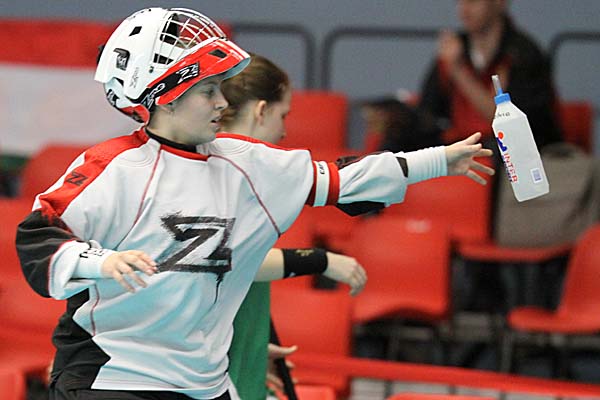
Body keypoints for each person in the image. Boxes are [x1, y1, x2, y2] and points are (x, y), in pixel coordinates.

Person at [16, 7, 493, 400]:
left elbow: (344, 179)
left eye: (221, 89)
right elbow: (38, 236)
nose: (222, 103)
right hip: (111, 378)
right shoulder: (111, 167)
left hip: (202, 384)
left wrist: (438, 160)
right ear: (165, 98)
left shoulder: (248, 164)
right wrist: (99, 261)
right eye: (207, 90)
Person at [219, 53, 369, 399]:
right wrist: (320, 260)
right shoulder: (216, 171)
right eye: (283, 115)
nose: (285, 131)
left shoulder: (243, 175)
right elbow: (229, 260)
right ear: (261, 111)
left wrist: (253, 344)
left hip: (237, 347)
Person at [418, 0, 562, 150]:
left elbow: (512, 124)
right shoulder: (453, 50)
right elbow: (427, 113)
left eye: (472, 1)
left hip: (510, 152)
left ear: (499, 3)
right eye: (460, 2)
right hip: (459, 147)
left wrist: (458, 71)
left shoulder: (522, 55)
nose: (463, 10)